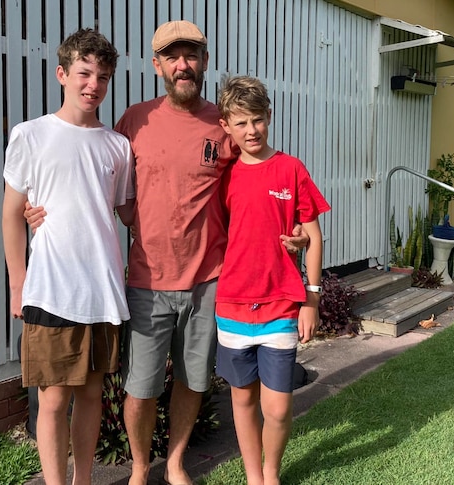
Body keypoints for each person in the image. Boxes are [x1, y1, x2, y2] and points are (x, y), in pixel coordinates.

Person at [25, 20, 308, 485]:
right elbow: (97, 181)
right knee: (140, 388)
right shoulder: (133, 122)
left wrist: (291, 226)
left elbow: (260, 178)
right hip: (146, 281)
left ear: (204, 63)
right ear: (157, 65)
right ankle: (140, 468)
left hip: (208, 280)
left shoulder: (224, 127)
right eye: (173, 57)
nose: (183, 65)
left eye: (191, 56)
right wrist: (42, 210)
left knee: (193, 382)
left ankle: (175, 464)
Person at [2, 28, 133, 485]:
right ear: (62, 73)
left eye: (103, 76)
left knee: (92, 396)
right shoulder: (30, 135)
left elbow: (117, 211)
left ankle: (83, 480)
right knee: (53, 400)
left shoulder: (118, 145)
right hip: (52, 290)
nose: (92, 84)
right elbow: (10, 215)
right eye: (84, 72)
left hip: (103, 291)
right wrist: (18, 284)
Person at [215, 75, 329, 485]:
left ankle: (271, 472)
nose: (251, 130)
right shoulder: (222, 176)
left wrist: (311, 300)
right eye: (241, 122)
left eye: (258, 120)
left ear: (270, 117)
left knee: (278, 408)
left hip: (282, 305)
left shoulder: (290, 168)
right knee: (243, 400)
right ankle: (253, 477)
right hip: (231, 306)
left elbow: (312, 236)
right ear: (226, 124)